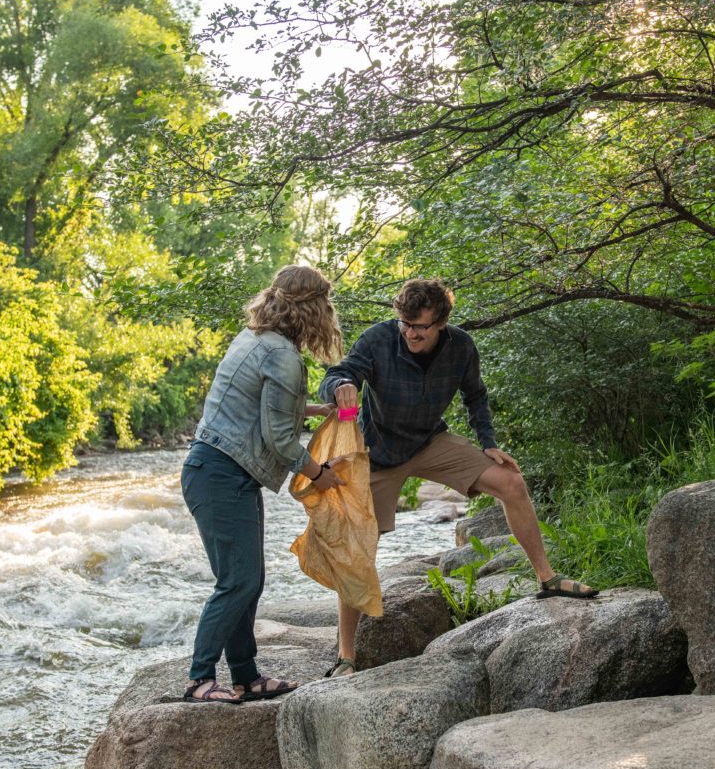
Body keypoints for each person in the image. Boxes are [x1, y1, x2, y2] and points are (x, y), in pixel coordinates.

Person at [317, 278, 597, 678]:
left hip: (431, 441)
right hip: (377, 454)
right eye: (405, 324)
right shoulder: (379, 339)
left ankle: (547, 578)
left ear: (441, 324)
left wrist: (488, 443)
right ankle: (346, 656)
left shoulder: (461, 346)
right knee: (358, 549)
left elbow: (475, 396)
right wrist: (341, 385)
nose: (411, 333)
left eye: (421, 327)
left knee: (511, 482)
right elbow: (340, 372)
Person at [179, 265, 347, 704]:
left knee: (245, 580)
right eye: (326, 307)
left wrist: (317, 411)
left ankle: (246, 676)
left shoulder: (254, 338)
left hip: (216, 471)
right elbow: (279, 438)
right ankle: (199, 679)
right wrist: (319, 474)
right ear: (312, 310)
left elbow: (267, 410)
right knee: (239, 582)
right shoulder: (282, 356)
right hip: (220, 473)